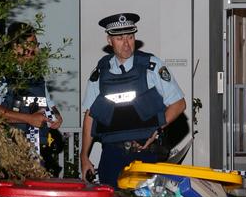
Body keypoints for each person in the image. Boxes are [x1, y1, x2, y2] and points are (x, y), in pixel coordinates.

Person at [80, 12, 186, 187]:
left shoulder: (151, 66)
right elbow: (91, 115)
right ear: (109, 41)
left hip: (146, 153)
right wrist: (84, 157)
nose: (126, 43)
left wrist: (157, 130)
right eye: (120, 38)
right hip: (112, 154)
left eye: (130, 37)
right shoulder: (100, 72)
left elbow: (179, 104)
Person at [0, 21, 64, 175]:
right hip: (8, 151)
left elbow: (48, 104)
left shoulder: (36, 76)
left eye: (34, 44)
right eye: (27, 44)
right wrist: (28, 118)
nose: (32, 49)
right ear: (13, 46)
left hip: (37, 153)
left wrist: (56, 115)